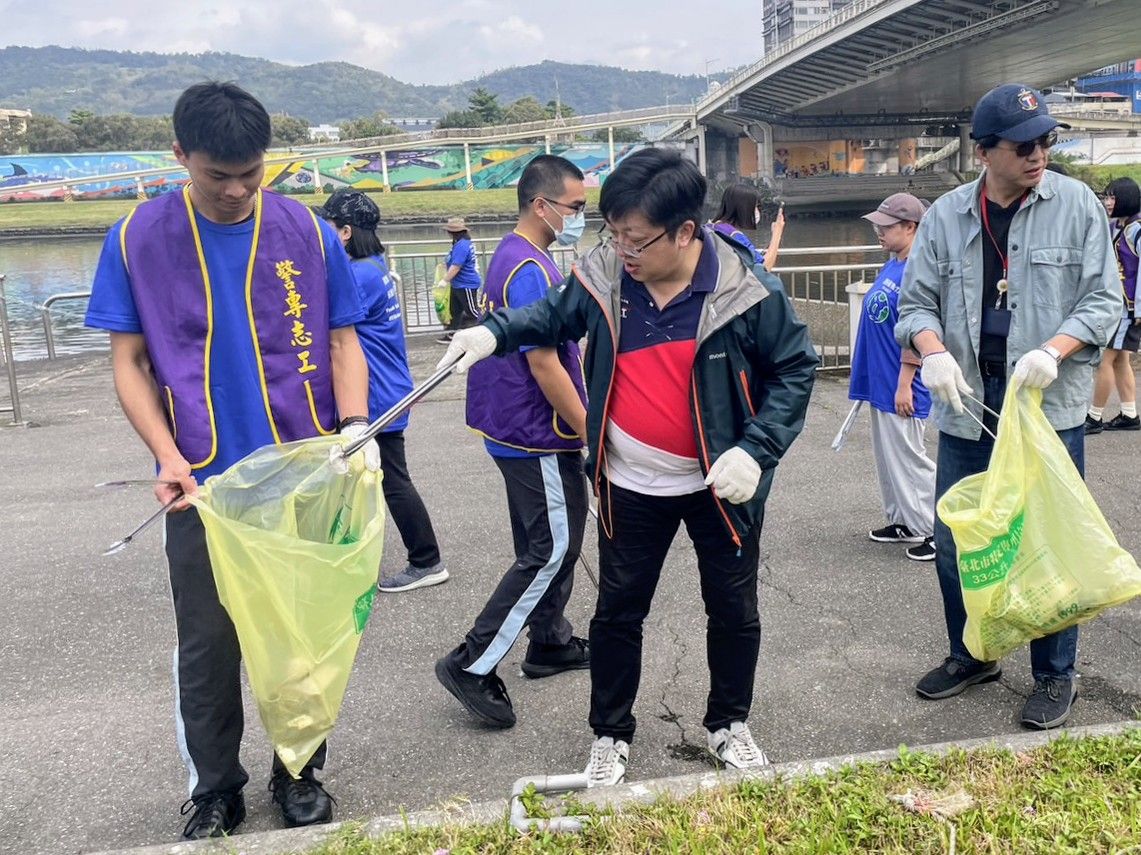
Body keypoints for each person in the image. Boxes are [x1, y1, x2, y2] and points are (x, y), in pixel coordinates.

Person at [439, 148, 818, 785]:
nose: (623, 249)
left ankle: (728, 723)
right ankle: (610, 734)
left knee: (732, 608)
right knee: (618, 612)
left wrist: (756, 450)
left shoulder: (746, 291)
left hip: (718, 482)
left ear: (686, 232)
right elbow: (550, 315)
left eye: (636, 239)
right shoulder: (605, 278)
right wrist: (492, 333)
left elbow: (795, 371)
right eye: (613, 233)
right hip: (630, 483)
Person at [84, 82, 375, 840]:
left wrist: (352, 426)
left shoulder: (307, 234)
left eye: (253, 171)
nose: (239, 189)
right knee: (208, 648)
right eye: (218, 174)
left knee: (301, 637)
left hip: (304, 475)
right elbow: (130, 361)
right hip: (202, 486)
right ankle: (215, 787)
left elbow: (343, 339)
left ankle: (300, 771)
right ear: (179, 156)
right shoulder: (134, 239)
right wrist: (165, 455)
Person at [896, 83, 1120, 729]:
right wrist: (932, 353)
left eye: (1046, 140)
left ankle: (1056, 674)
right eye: (1023, 144)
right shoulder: (942, 217)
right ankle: (973, 653)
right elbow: (914, 306)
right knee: (956, 541)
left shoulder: (1075, 204)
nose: (1038, 154)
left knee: (1046, 541)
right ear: (983, 151)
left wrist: (1053, 349)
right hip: (967, 398)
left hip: (1045, 404)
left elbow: (1104, 300)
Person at [434, 154, 590, 728]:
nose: (580, 217)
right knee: (550, 548)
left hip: (512, 428)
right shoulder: (531, 270)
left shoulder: (513, 254)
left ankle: (550, 640)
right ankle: (473, 661)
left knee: (553, 540)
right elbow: (545, 362)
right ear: (542, 206)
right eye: (575, 208)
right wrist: (588, 428)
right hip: (535, 433)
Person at [313, 188, 449, 593]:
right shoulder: (374, 266)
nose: (323, 234)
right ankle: (341, 555)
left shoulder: (359, 275)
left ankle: (426, 560)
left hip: (375, 395)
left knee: (392, 478)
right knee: (357, 477)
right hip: (386, 386)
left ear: (346, 232)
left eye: (329, 226)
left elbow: (321, 321)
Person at [849, 193, 936, 562]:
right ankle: (904, 519)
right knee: (889, 458)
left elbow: (921, 326)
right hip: (881, 378)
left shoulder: (919, 267)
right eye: (877, 225)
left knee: (911, 457)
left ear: (910, 227)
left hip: (902, 382)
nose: (878, 232)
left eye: (886, 227)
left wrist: (905, 382)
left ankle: (937, 530)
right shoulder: (893, 262)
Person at [1085, 177, 1141, 434]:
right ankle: (1129, 413)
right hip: (1120, 306)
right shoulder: (1118, 226)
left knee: (1105, 360)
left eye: (1112, 197)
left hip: (1125, 308)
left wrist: (1139, 309)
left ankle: (1094, 417)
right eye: (1106, 197)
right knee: (1120, 360)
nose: (1107, 202)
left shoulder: (1135, 230)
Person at [711, 183, 786, 271]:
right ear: (744, 208)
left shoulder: (711, 228)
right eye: (755, 207)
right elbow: (764, 268)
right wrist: (777, 233)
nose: (757, 211)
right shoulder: (735, 237)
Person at [436, 216, 482, 343]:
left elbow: (456, 266)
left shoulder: (462, 245)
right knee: (454, 311)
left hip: (466, 284)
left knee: (472, 310)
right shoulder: (459, 243)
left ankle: (488, 330)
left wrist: (445, 280)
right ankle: (451, 334)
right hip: (457, 284)